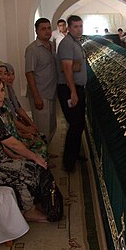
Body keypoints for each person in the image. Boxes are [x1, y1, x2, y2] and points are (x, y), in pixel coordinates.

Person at [0, 75, 55, 222]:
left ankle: (29, 207)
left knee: (25, 165)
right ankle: (31, 210)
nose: (1, 95)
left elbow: (2, 143)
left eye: (2, 90)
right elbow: (12, 143)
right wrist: (34, 157)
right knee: (33, 168)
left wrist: (17, 156)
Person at [0, 59, 48, 159]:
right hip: (7, 144)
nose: (6, 77)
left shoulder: (6, 93)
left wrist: (29, 126)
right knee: (36, 147)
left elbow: (14, 115)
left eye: (6, 73)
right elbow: (3, 134)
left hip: (13, 135)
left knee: (39, 138)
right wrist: (23, 134)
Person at [56, 15, 87, 172]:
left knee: (79, 124)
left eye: (81, 26)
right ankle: (69, 163)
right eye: (75, 26)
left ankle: (74, 155)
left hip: (76, 88)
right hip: (69, 89)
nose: (79, 29)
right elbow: (67, 69)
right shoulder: (67, 44)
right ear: (68, 28)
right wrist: (73, 92)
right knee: (75, 125)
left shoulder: (76, 43)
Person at [25, 17, 58, 145]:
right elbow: (29, 73)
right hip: (40, 94)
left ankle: (46, 154)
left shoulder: (52, 46)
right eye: (43, 29)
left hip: (51, 92)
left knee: (51, 126)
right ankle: (42, 159)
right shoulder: (32, 49)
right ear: (36, 31)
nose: (47, 31)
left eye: (49, 28)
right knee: (42, 128)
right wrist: (36, 97)